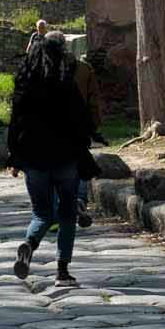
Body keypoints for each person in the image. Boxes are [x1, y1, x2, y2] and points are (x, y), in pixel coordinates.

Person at [6, 33, 94, 285]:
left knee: (41, 214)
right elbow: (82, 119)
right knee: (66, 214)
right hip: (65, 158)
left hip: (34, 161)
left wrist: (14, 157)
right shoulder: (66, 84)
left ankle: (29, 244)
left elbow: (15, 126)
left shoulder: (24, 88)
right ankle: (62, 271)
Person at [64, 36, 104, 228]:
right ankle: (80, 199)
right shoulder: (84, 69)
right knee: (79, 164)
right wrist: (94, 124)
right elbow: (93, 99)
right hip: (80, 126)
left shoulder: (43, 69)